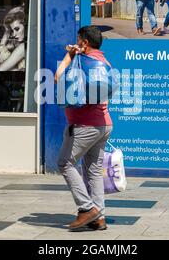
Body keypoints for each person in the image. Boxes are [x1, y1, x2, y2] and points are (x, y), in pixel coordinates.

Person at [55, 26, 113, 231]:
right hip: (103, 123)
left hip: (84, 125)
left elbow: (59, 79)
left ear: (85, 43)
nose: (76, 42)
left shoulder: (82, 62)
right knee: (94, 171)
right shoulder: (104, 62)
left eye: (78, 40)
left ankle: (87, 208)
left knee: (64, 163)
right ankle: (99, 217)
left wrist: (69, 56)